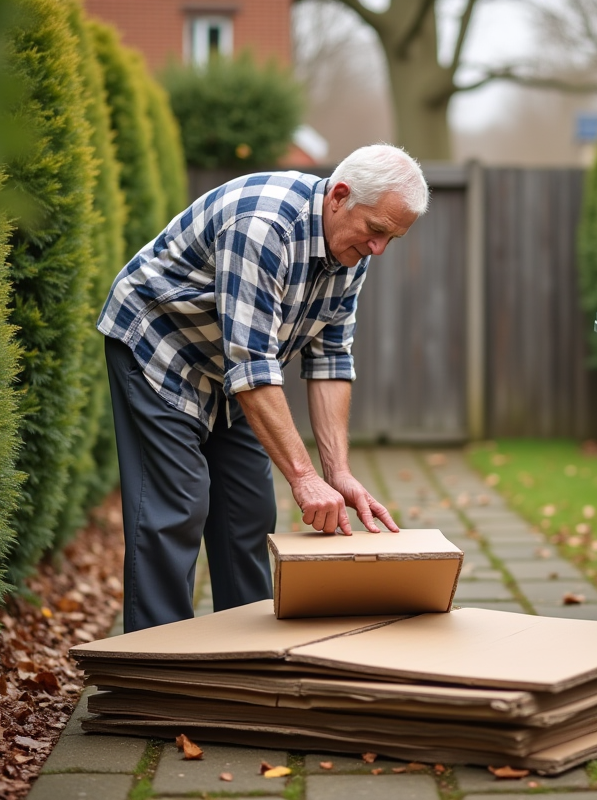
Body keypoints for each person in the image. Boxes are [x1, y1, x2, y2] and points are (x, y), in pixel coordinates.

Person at [96, 144, 429, 632]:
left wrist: (336, 473)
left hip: (230, 370)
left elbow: (330, 357)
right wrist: (302, 475)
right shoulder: (264, 227)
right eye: (376, 231)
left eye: (391, 239)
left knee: (248, 512)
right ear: (339, 196)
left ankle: (243, 665)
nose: (378, 249)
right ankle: (159, 673)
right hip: (161, 347)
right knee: (179, 509)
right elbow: (251, 366)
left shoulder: (354, 250)